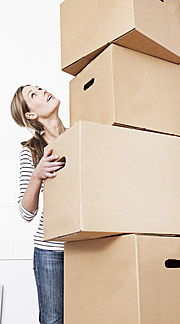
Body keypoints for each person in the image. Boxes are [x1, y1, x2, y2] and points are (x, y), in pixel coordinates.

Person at [10, 85, 66, 324]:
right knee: (53, 320)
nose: (43, 91)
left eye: (40, 88)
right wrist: (37, 174)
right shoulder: (31, 151)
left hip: (89, 244)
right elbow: (26, 213)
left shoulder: (83, 135)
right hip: (52, 251)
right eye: (34, 95)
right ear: (31, 115)